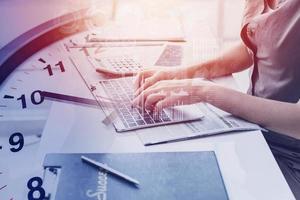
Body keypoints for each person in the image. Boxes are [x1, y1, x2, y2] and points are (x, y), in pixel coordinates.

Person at [96, 0, 300, 197]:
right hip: (254, 135)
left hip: (289, 158)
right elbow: (257, 46)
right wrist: (183, 73)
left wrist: (205, 91)